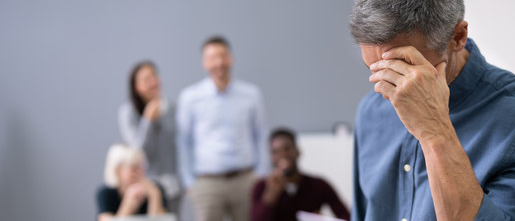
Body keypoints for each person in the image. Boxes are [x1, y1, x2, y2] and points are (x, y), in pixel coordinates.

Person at [349, 0, 515, 220]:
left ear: (457, 37)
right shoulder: (371, 110)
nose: (385, 88)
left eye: (402, 68)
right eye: (373, 70)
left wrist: (435, 133)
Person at [177, 35, 270, 221]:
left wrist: (262, 174)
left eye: (223, 56)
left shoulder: (251, 94)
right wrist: (189, 182)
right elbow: (183, 141)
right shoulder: (190, 97)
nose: (219, 62)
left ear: (231, 58)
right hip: (207, 183)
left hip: (246, 180)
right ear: (204, 63)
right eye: (212, 58)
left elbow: (261, 134)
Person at [118, 61, 182, 215]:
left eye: (155, 76)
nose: (153, 82)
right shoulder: (128, 113)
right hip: (143, 186)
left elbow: (180, 146)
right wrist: (147, 120)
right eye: (146, 79)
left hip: (173, 185)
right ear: (136, 87)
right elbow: (137, 151)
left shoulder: (173, 109)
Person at [251, 128, 350, 221]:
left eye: (287, 149)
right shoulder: (261, 187)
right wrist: (271, 193)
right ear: (271, 158)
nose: (282, 155)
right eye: (276, 152)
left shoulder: (319, 185)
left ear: (298, 151)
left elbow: (346, 216)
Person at [96, 144, 168, 220]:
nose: (139, 172)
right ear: (118, 171)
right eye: (134, 168)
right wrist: (128, 206)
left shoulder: (155, 189)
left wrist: (154, 195)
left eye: (141, 166)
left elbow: (162, 219)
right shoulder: (106, 194)